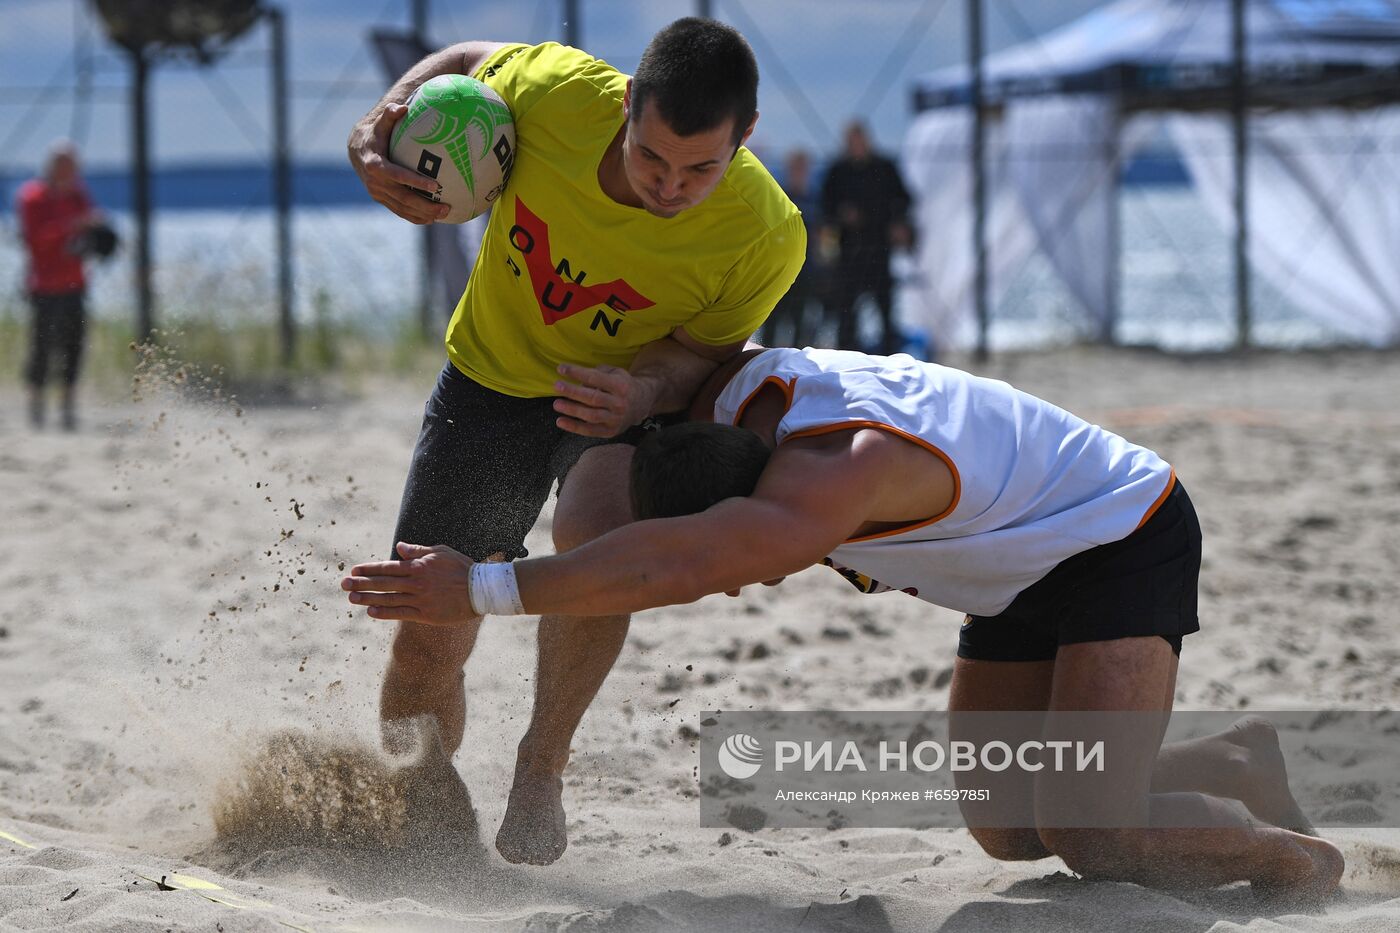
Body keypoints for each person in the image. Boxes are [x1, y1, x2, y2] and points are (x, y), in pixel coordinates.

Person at [343, 346, 1344, 901]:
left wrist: (479, 588)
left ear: (746, 522)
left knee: (1091, 832)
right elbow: (675, 391)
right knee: (1007, 826)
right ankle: (1233, 760)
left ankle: (1301, 863)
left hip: (1114, 530)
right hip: (1009, 573)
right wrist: (643, 390)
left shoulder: (833, 475)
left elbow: (674, 564)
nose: (736, 589)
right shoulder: (732, 406)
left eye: (740, 568)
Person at [344, 19, 805, 865]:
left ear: (745, 137)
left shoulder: (766, 233)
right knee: (427, 631)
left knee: (595, 540)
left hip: (624, 399)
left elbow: (701, 354)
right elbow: (466, 60)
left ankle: (541, 763)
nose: (671, 186)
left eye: (700, 169)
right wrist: (381, 122)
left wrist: (645, 391)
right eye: (651, 157)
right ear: (625, 104)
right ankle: (423, 796)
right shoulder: (560, 94)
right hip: (492, 377)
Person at [17, 141, 102, 431]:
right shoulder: (33, 196)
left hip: (75, 282)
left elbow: (88, 230)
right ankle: (36, 405)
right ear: (51, 166)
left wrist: (96, 231)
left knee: (74, 345)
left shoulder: (78, 195)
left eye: (73, 165)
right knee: (41, 346)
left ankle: (68, 406)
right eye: (64, 165)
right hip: (43, 284)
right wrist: (71, 226)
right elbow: (34, 238)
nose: (70, 171)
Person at [820, 122, 911, 355]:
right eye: (852, 142)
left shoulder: (885, 167)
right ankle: (847, 354)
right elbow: (825, 207)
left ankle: (890, 354)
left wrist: (898, 222)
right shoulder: (838, 170)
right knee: (846, 310)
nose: (857, 146)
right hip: (849, 251)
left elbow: (904, 198)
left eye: (860, 141)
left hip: (879, 248)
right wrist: (841, 215)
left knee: (885, 307)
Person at [757, 149, 822, 348]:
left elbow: (822, 234)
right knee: (772, 321)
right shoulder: (779, 197)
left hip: (805, 271)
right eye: (795, 168)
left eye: (802, 169)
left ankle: (797, 359)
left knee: (800, 321)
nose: (799, 173)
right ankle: (767, 358)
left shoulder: (815, 199)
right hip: (778, 269)